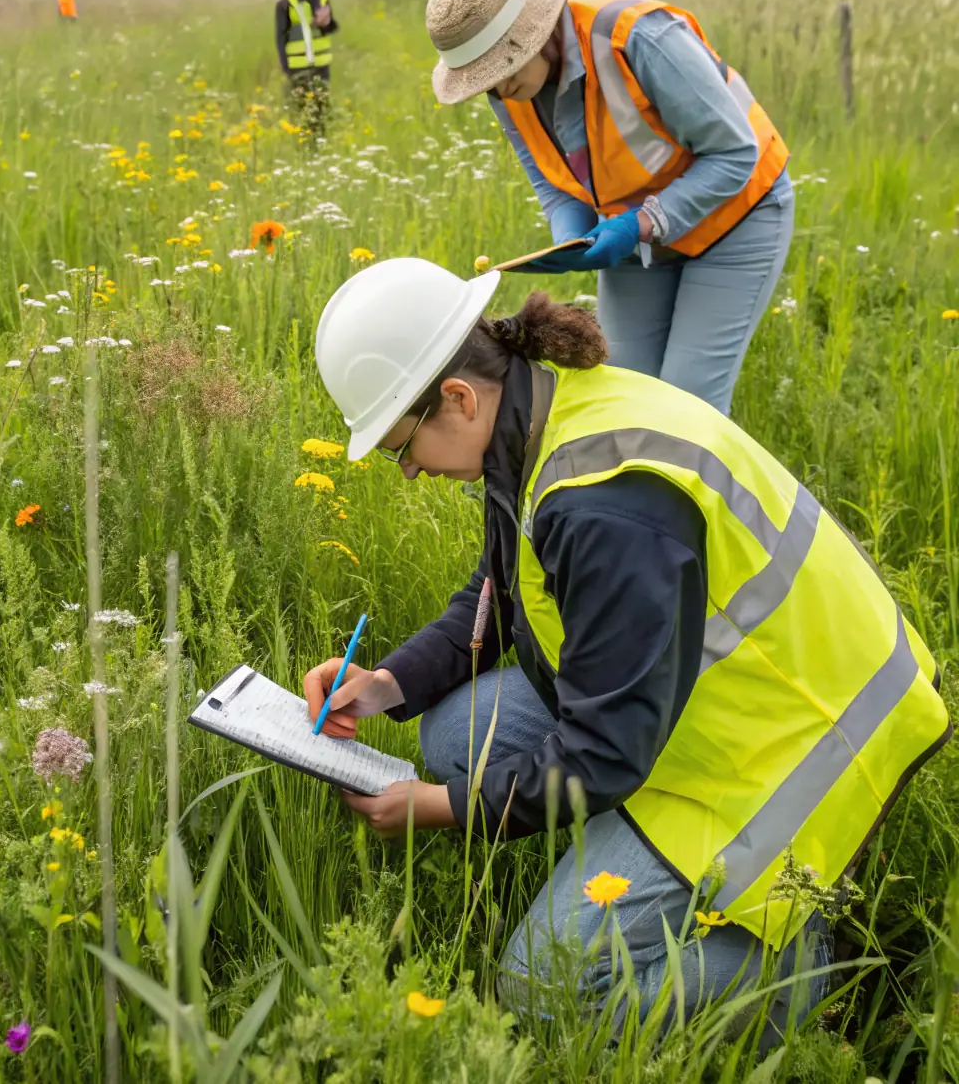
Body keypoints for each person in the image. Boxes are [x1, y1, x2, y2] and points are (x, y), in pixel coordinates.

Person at [305, 256, 950, 1033]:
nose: (406, 470)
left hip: (780, 752)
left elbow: (605, 753)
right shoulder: (540, 412)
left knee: (545, 985)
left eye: (398, 446)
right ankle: (651, 878)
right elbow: (498, 592)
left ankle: (796, 960)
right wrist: (384, 684)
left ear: (457, 397)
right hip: (684, 708)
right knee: (452, 733)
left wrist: (437, 810)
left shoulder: (606, 505)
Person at [424, 0, 795, 416]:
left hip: (738, 215)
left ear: (531, 35)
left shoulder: (640, 38)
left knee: (687, 405)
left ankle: (701, 488)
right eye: (483, 83)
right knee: (625, 395)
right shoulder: (508, 87)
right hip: (637, 234)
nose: (497, 93)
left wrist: (641, 223)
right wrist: (570, 235)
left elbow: (736, 153)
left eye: (502, 71)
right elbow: (546, 172)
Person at [276, 0, 337, 131]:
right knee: (302, 116)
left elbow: (332, 28)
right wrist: (286, 69)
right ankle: (305, 151)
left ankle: (320, 149)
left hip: (321, 66)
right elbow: (280, 37)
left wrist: (326, 24)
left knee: (321, 114)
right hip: (298, 69)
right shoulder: (284, 1)